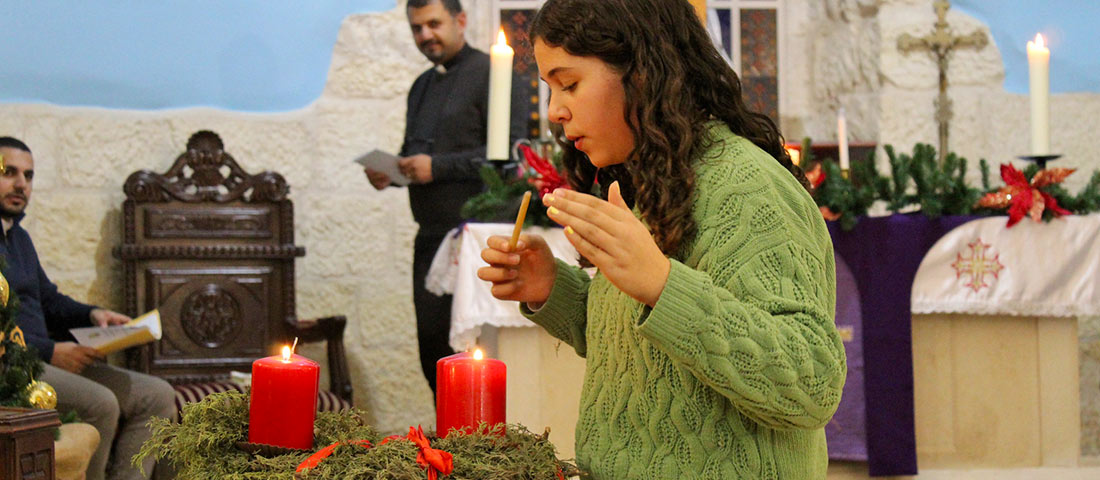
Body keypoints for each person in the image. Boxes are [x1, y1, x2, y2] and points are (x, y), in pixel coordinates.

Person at [476, 0, 846, 478]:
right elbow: (648, 351)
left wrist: (662, 284)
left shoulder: (748, 188)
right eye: (550, 88)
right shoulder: (659, 177)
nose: (555, 111)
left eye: (569, 84)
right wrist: (552, 288)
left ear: (641, 73)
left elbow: (811, 382)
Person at [364, 0, 527, 393]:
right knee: (433, 354)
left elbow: (511, 155)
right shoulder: (421, 86)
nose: (426, 35)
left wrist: (436, 167)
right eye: (417, 28)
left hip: (477, 237)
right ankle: (447, 432)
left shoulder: (493, 74)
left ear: (461, 20)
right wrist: (394, 172)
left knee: (476, 358)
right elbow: (415, 152)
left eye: (434, 24)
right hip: (430, 237)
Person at [0, 137, 175, 480]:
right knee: (100, 403)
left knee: (157, 395)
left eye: (29, 175)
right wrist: (51, 351)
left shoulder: (19, 238)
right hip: (12, 366)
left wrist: (94, 315)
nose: (21, 184)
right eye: (9, 172)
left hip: (45, 358)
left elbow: (49, 300)